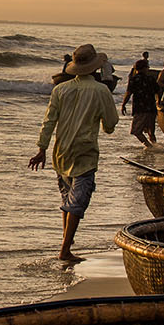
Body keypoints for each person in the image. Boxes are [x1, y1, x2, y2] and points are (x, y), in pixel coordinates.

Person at [28, 43, 119, 264]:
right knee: (77, 203)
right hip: (85, 153)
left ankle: (66, 243)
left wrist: (42, 148)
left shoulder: (61, 89)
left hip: (61, 152)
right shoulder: (101, 91)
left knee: (67, 198)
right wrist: (105, 126)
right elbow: (110, 123)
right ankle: (65, 250)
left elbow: (49, 121)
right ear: (95, 68)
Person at [123, 53, 159, 146]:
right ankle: (155, 146)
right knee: (151, 132)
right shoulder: (151, 79)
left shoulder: (134, 79)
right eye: (147, 67)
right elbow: (158, 92)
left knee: (136, 131)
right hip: (151, 108)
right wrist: (158, 102)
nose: (148, 69)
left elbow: (128, 93)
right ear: (144, 68)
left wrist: (123, 104)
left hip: (140, 108)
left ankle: (149, 147)